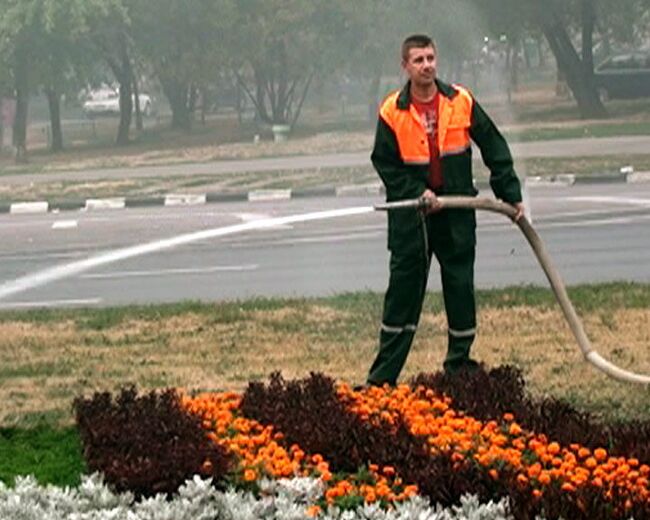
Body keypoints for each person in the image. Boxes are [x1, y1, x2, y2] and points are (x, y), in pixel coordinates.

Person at [366, 34, 525, 386]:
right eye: (419, 60)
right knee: (402, 296)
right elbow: (385, 163)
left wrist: (510, 193)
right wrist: (416, 190)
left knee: (460, 287)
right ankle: (382, 378)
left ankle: (459, 367)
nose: (427, 65)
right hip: (413, 220)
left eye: (430, 58)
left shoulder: (461, 101)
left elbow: (494, 146)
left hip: (456, 214)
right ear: (405, 66)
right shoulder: (392, 111)